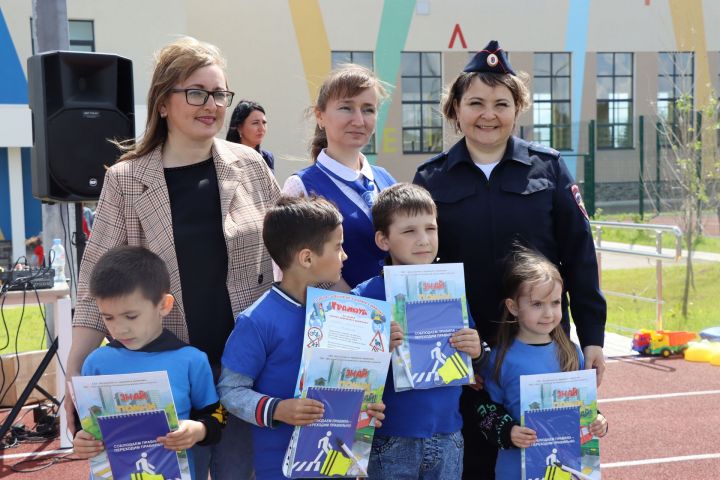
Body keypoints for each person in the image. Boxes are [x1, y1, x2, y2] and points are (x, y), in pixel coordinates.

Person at [68, 36, 281, 480]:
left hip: (247, 369)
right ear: (163, 103)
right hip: (164, 377)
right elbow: (95, 287)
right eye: (196, 92)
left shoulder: (251, 165)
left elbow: (293, 258)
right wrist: (75, 382)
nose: (212, 105)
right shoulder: (126, 180)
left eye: (220, 94)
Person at [413, 40, 606, 479]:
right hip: (464, 357)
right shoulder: (431, 178)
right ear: (455, 109)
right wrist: (440, 352)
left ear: (517, 109)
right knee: (471, 464)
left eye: (501, 103)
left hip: (541, 351)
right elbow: (418, 268)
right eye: (475, 102)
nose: (488, 114)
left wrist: (592, 336)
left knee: (548, 464)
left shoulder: (550, 169)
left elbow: (580, 256)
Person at [217, 196, 386, 480]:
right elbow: (230, 391)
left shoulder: (342, 312)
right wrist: (279, 409)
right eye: (338, 246)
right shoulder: (256, 321)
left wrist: (365, 410)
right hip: (279, 469)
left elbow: (345, 381)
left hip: (337, 466)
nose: (344, 255)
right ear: (307, 257)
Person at [350, 183, 482, 479]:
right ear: (383, 239)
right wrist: (376, 348)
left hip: (448, 435)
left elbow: (471, 355)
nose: (423, 240)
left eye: (430, 229)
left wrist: (476, 348)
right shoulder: (365, 297)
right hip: (391, 438)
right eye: (409, 231)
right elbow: (348, 371)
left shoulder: (452, 289)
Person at [72, 246, 224, 477]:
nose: (119, 328)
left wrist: (198, 430)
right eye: (108, 317)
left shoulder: (191, 360)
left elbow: (217, 415)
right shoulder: (96, 363)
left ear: (163, 305)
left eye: (131, 316)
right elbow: (85, 425)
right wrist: (81, 440)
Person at [480, 244, 608, 480]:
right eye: (537, 304)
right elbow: (485, 410)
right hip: (515, 472)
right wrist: (508, 431)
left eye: (555, 303)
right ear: (513, 307)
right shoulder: (500, 357)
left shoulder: (571, 353)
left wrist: (599, 420)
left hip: (568, 471)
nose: (548, 313)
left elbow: (583, 407)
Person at [282, 64, 396, 291]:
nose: (359, 120)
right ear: (320, 116)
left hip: (398, 319)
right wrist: (359, 311)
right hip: (340, 320)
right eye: (346, 108)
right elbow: (290, 273)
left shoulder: (386, 180)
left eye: (368, 109)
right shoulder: (301, 186)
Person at [226, 100, 275, 171]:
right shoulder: (227, 157)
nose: (262, 128)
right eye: (255, 123)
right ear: (239, 127)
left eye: (264, 122)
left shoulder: (267, 157)